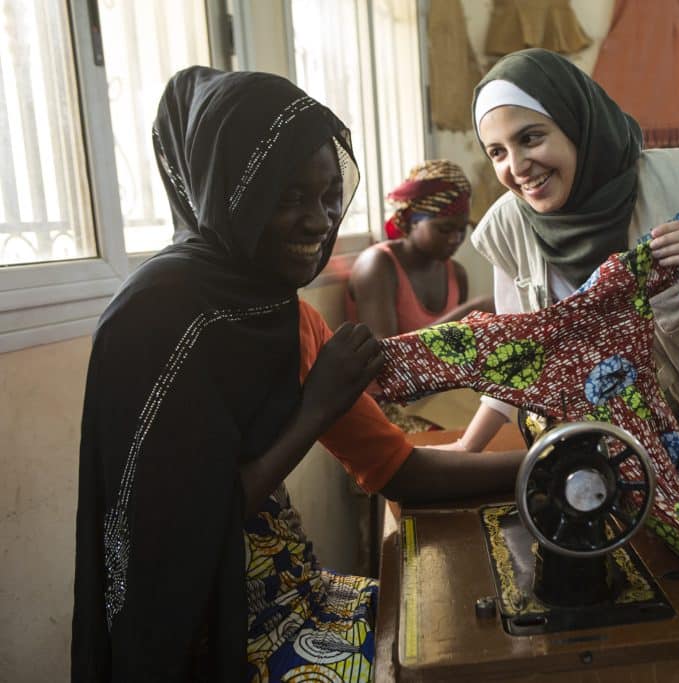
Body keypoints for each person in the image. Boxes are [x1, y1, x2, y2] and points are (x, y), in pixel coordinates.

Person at [71, 67, 523, 682]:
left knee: (472, 642)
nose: (319, 220)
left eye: (329, 194)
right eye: (287, 197)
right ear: (232, 192)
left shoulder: (290, 316)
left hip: (298, 597)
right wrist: (315, 411)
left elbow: (399, 468)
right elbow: (178, 533)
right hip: (208, 633)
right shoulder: (157, 318)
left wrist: (545, 463)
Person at [454, 48, 679, 604]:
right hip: (647, 458)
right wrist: (463, 451)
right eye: (496, 151)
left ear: (577, 123)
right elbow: (522, 358)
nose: (516, 167)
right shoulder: (509, 227)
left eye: (531, 138)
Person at [347, 159, 493, 338]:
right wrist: (470, 312)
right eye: (444, 229)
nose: (456, 238)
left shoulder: (456, 274)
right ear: (414, 221)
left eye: (462, 229)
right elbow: (384, 351)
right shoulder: (377, 265)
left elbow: (459, 347)